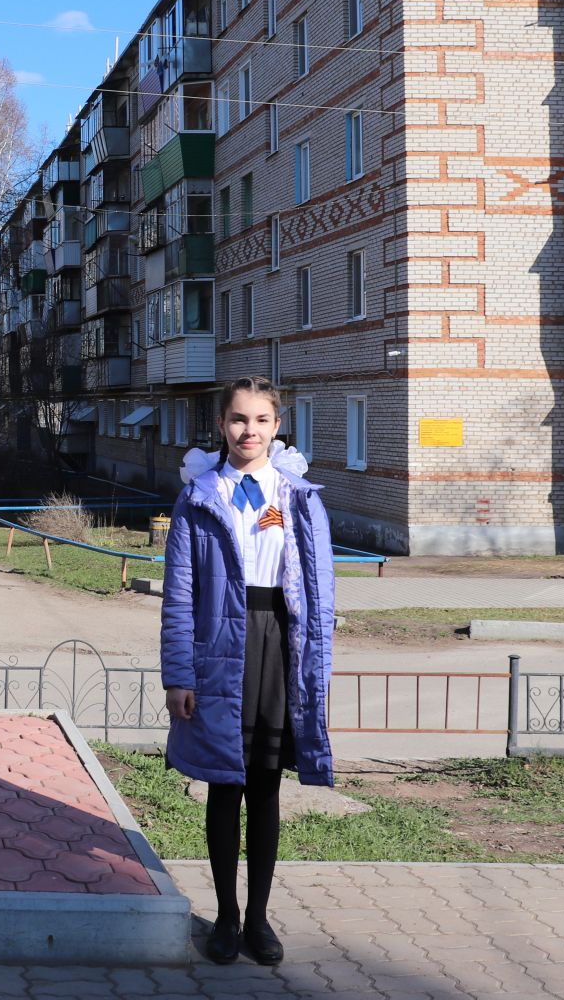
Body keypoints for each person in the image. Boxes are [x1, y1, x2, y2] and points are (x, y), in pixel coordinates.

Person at [160, 377, 336, 967]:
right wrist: (178, 675)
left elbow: (320, 590)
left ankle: (259, 919)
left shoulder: (298, 497)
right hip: (219, 649)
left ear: (278, 425)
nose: (249, 431)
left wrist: (315, 664)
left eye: (261, 420)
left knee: (264, 787)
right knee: (222, 785)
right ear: (220, 425)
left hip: (279, 646)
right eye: (238, 419)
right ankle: (226, 918)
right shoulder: (199, 496)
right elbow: (180, 595)